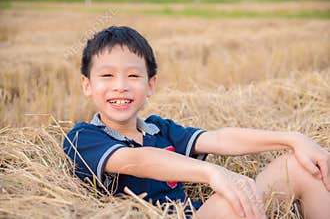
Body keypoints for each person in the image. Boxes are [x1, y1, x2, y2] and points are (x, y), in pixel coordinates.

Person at [63, 26, 330, 219]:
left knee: (304, 167)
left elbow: (222, 139)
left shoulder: (159, 129)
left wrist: (293, 138)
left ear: (151, 85)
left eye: (133, 76)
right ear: (87, 85)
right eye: (107, 76)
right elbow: (138, 160)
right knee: (230, 201)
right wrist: (213, 173)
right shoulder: (83, 137)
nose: (120, 86)